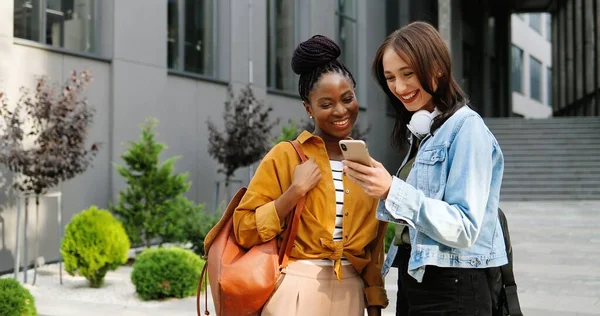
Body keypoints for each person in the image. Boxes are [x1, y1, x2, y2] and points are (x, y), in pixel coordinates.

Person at [343, 21, 507, 316]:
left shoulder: (467, 129)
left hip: (453, 285)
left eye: (408, 73)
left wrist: (393, 189)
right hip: (416, 276)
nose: (399, 87)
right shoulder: (424, 131)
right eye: (390, 77)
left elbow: (464, 226)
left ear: (437, 68)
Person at [233, 35, 389, 316]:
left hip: (351, 293)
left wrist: (374, 303)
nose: (340, 110)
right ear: (309, 108)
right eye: (326, 104)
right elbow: (243, 229)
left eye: (347, 99)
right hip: (296, 288)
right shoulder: (286, 156)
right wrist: (293, 192)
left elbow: (373, 250)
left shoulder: (368, 166)